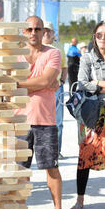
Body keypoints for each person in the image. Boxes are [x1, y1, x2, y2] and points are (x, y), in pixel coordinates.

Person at [17, 16, 69, 209]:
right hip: (19, 121)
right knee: (20, 170)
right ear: (24, 32)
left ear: (43, 31)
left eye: (37, 29)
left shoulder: (53, 53)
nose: (33, 33)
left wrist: (18, 85)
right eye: (29, 29)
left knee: (51, 167)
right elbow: (44, 83)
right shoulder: (15, 55)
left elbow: (48, 80)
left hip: (45, 120)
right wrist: (40, 84)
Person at [70, 21, 105, 209]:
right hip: (90, 110)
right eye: (99, 34)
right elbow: (82, 83)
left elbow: (91, 82)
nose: (103, 38)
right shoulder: (87, 58)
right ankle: (80, 199)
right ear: (94, 37)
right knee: (85, 155)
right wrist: (102, 85)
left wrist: (97, 82)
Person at [42, 21, 68, 157]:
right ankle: (44, 150)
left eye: (49, 31)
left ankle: (56, 151)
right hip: (40, 89)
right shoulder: (37, 46)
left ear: (53, 33)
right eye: (44, 30)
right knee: (40, 121)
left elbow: (64, 67)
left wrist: (62, 81)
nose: (46, 33)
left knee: (58, 122)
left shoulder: (59, 47)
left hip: (57, 88)